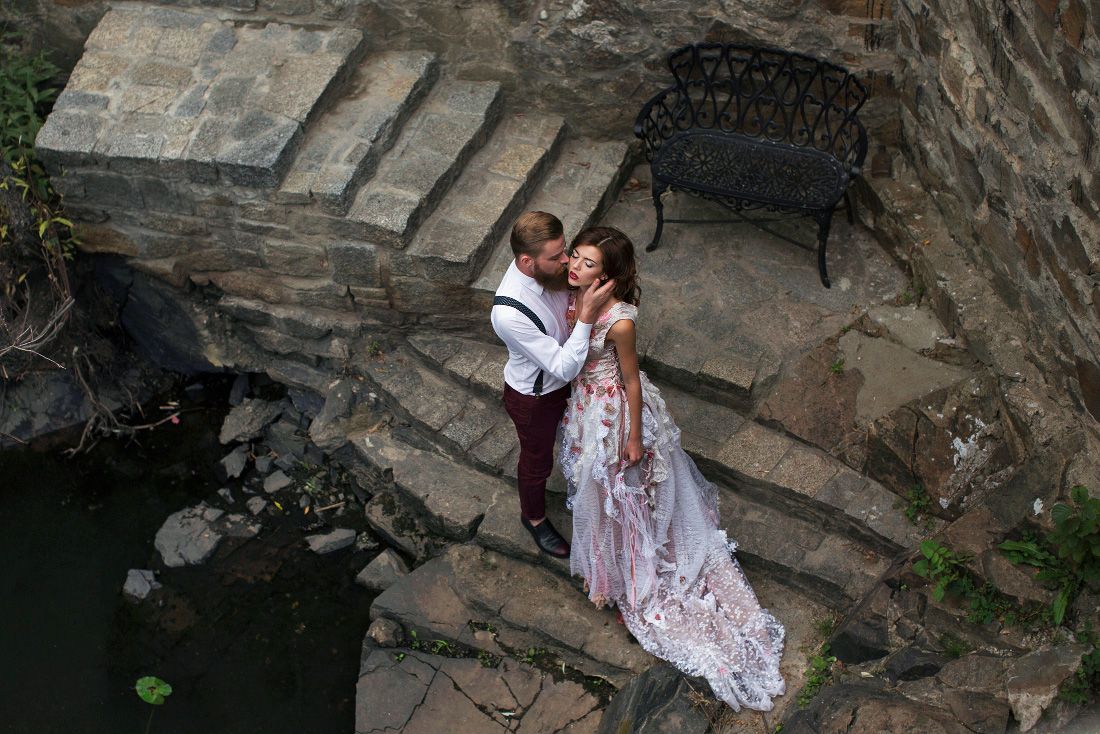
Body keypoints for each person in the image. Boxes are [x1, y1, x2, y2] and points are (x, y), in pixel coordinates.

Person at [560, 226, 786, 712]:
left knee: (625, 493)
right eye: (575, 256)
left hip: (615, 414)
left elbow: (630, 381)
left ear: (610, 275)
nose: (575, 266)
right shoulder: (574, 295)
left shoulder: (620, 322)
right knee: (595, 491)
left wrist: (634, 438)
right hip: (586, 407)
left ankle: (633, 568)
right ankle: (608, 564)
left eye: (588, 263)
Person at [491, 212, 616, 558]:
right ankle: (532, 518)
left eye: (565, 250)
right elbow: (563, 367)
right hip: (536, 398)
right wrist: (587, 316)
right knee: (537, 461)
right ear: (527, 262)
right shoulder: (509, 313)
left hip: (576, 382)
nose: (565, 261)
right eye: (556, 256)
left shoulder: (549, 268)